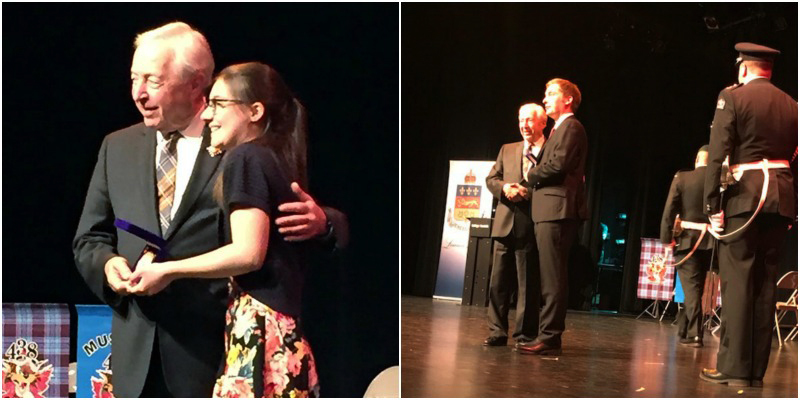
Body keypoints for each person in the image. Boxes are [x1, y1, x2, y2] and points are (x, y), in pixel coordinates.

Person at [73, 22, 335, 397]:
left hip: (212, 353)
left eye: (153, 81)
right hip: (136, 355)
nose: (139, 94)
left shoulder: (239, 145)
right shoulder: (117, 147)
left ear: (197, 84)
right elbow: (90, 238)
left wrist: (325, 223)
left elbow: (289, 223)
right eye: (134, 79)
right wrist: (108, 266)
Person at [128, 62, 320, 398]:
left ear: (254, 111)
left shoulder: (245, 158)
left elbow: (248, 253)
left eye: (218, 104)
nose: (205, 116)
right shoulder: (275, 157)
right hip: (282, 328)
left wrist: (167, 270)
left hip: (260, 328)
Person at [701, 42, 797, 387]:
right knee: (765, 283)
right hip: (781, 198)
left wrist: (712, 205)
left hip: (746, 197)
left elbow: (717, 153)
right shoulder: (792, 105)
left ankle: (732, 366)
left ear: (743, 68)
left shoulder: (733, 97)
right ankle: (756, 372)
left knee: (738, 281)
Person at [518, 78, 588, 356]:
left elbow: (557, 165)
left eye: (551, 94)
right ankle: (548, 333)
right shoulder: (560, 128)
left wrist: (530, 175)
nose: (545, 99)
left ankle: (550, 335)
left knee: (553, 275)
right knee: (550, 274)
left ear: (567, 99)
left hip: (558, 209)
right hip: (549, 209)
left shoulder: (571, 126)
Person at [483, 103, 547, 348]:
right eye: (521, 120)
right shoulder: (507, 149)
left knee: (527, 284)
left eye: (530, 120)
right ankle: (497, 331)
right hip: (503, 224)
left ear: (542, 123)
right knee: (498, 282)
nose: (524, 125)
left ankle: (524, 334)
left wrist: (527, 193)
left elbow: (551, 183)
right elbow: (491, 178)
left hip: (530, 225)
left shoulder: (548, 151)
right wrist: (505, 189)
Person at [659, 145, 714, 348]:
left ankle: (695, 334)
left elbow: (669, 210)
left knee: (691, 289)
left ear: (697, 159)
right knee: (696, 288)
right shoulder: (717, 180)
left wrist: (667, 240)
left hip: (688, 241)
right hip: (710, 240)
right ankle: (684, 328)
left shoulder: (682, 178)